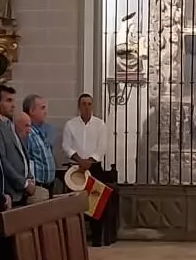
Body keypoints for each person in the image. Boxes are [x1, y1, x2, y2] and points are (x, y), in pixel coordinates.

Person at [62, 93, 118, 246]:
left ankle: (96, 238)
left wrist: (90, 161)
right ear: (79, 106)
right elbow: (66, 146)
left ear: (92, 106)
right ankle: (75, 238)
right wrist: (79, 160)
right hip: (75, 167)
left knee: (94, 203)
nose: (86, 107)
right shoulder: (70, 125)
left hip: (94, 167)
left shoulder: (100, 125)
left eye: (89, 104)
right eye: (83, 104)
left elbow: (102, 147)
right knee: (75, 203)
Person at [0, 84, 33, 204]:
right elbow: (2, 160)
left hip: (22, 190)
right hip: (11, 191)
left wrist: (29, 178)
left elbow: (21, 153)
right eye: (8, 101)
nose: (13, 105)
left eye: (14, 101)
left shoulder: (10, 124)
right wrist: (23, 183)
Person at [14, 111, 50, 202]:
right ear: (15, 125)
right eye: (26, 126)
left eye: (30, 126)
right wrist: (26, 183)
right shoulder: (13, 144)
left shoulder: (22, 140)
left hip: (30, 183)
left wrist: (30, 179)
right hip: (18, 187)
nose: (29, 130)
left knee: (45, 194)